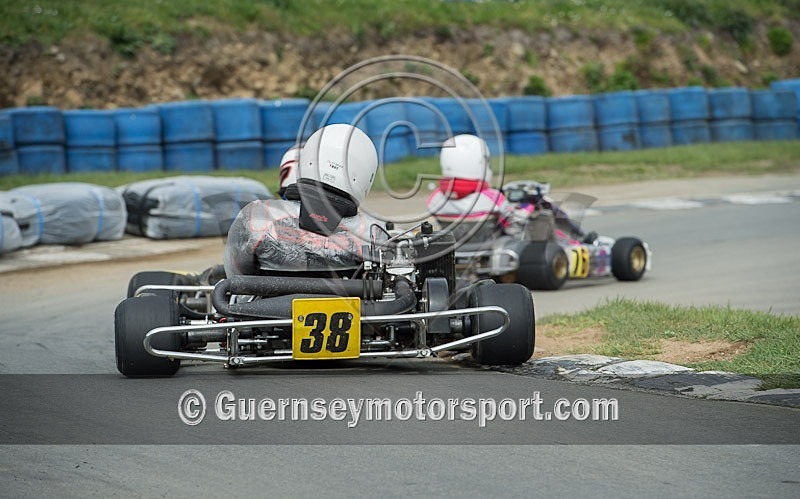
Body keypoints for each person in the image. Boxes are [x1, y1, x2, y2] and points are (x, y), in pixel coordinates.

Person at [224, 124, 384, 277]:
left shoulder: (257, 216)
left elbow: (237, 278)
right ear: (366, 175)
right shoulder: (372, 232)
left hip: (268, 303)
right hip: (349, 304)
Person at [426, 134, 534, 239]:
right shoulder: (493, 198)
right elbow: (513, 221)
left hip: (452, 249)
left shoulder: (435, 198)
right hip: (488, 249)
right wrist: (528, 207)